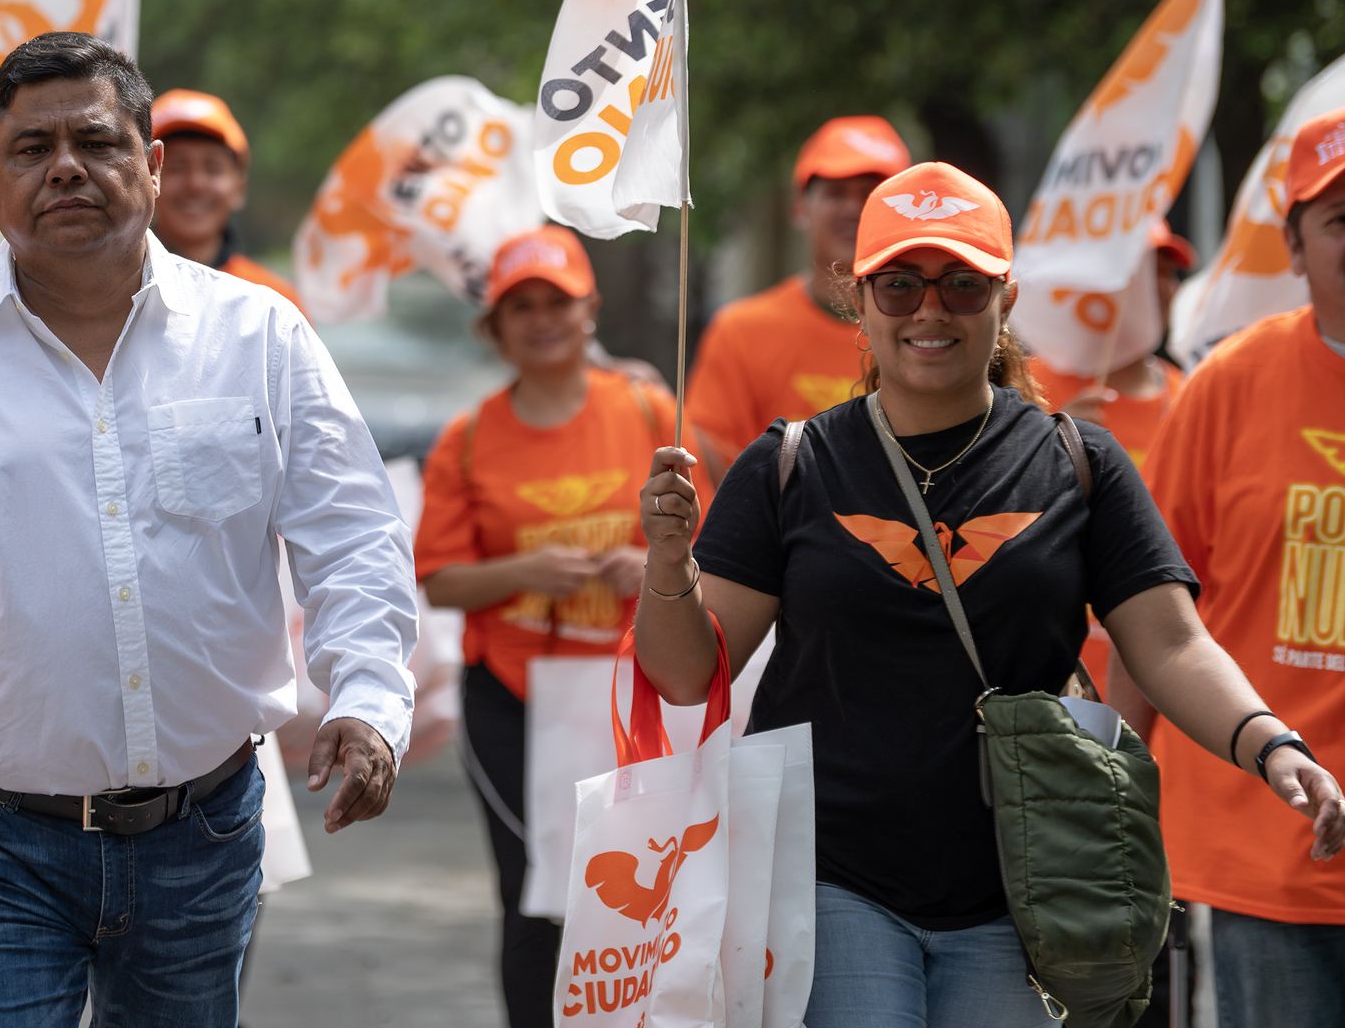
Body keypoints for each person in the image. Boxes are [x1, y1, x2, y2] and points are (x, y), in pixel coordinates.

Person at [0, 32, 418, 1027]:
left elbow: (349, 530)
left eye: (94, 142)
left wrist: (366, 691)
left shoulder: (260, 338)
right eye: (30, 149)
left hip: (207, 835)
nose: (64, 169)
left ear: (151, 162)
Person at [631, 162, 1345, 1028]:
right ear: (859, 302)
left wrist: (1272, 745)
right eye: (899, 286)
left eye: (962, 285)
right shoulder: (792, 466)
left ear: (1006, 297)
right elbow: (683, 675)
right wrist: (668, 570)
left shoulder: (1080, 461)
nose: (930, 310)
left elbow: (1171, 644)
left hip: (1028, 886)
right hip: (828, 878)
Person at [416, 225, 701, 1028]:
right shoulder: (468, 438)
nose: (542, 319)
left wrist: (651, 568)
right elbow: (436, 581)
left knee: (643, 890)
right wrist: (524, 574)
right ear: (495, 327)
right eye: (522, 306)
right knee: (536, 894)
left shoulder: (650, 408)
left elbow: (713, 546)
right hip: (513, 698)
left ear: (591, 312)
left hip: (635, 692)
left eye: (558, 302)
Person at [1135, 107, 1345, 1026]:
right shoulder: (1227, 384)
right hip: (1261, 849)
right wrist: (1113, 790)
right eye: (1339, 220)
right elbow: (1148, 608)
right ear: (1294, 247)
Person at [683, 115, 909, 467]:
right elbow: (710, 469)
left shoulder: (939, 332)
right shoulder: (741, 333)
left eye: (870, 194)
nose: (853, 208)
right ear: (799, 206)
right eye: (835, 193)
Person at [1029, 222, 1198, 472]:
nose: (1163, 289)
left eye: (1167, 273)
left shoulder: (1189, 394)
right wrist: (1049, 454)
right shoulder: (1028, 384)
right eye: (1143, 275)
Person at [148, 87, 307, 313]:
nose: (195, 184)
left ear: (239, 188)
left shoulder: (276, 304)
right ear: (146, 178)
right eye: (176, 167)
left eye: (212, 168)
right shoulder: (111, 293)